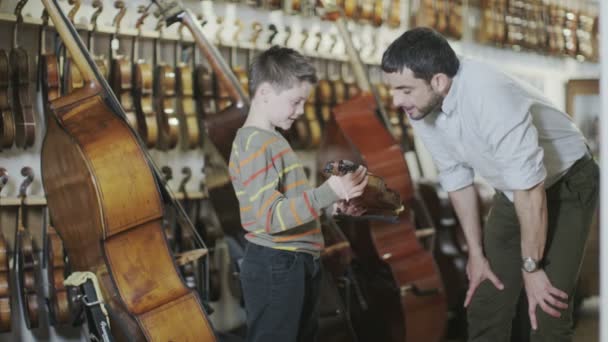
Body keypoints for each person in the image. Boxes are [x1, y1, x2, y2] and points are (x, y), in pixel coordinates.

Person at [381, 27, 599, 342]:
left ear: (439, 81)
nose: (396, 100)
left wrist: (531, 267)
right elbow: (457, 179)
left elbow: (531, 190)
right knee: (485, 299)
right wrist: (475, 253)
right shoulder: (422, 108)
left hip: (568, 181)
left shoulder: (489, 93)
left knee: (546, 312)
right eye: (392, 89)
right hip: (514, 191)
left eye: (404, 89)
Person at [228, 46, 368, 342]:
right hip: (276, 263)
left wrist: (333, 206)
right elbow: (270, 217)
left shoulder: (272, 140)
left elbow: (291, 206)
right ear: (265, 92)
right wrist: (327, 192)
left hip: (294, 260)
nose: (301, 111)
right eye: (295, 101)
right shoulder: (255, 144)